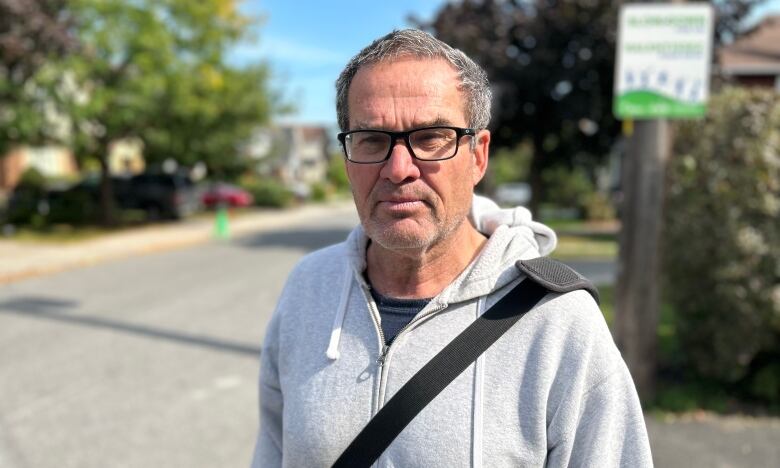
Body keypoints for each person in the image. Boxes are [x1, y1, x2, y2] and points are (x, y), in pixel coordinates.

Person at [251, 29, 652, 467]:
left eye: (430, 138)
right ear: (347, 158)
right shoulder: (308, 290)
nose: (398, 169)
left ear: (478, 156)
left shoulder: (557, 322)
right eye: (370, 139)